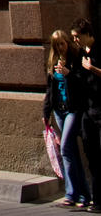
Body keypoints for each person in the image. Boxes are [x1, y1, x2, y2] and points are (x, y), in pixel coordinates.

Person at [43, 28, 89, 208]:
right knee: (72, 153)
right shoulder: (53, 62)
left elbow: (83, 82)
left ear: (67, 43)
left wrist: (69, 74)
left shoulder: (75, 60)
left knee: (66, 148)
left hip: (73, 109)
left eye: (62, 43)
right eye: (57, 45)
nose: (60, 47)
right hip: (59, 110)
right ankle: (83, 195)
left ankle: (70, 193)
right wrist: (45, 113)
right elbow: (49, 90)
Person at [72, 19, 101, 212]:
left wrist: (93, 69)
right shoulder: (81, 54)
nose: (75, 40)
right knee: (92, 158)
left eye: (77, 36)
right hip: (88, 114)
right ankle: (97, 200)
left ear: (87, 34)